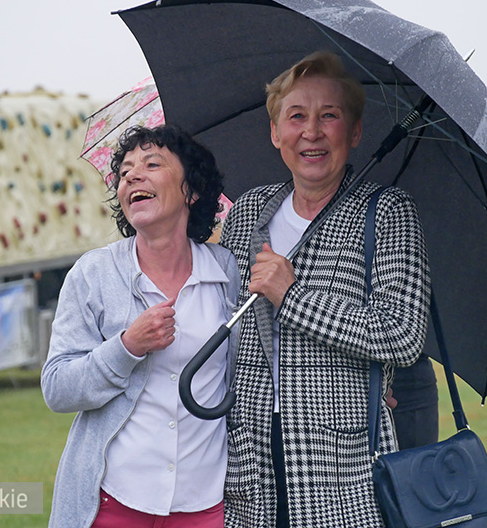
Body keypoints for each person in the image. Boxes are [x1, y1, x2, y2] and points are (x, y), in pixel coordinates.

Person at [219, 51, 431, 527]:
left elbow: (402, 333)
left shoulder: (388, 212)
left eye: (329, 116)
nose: (311, 131)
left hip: (341, 472)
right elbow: (220, 320)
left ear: (354, 133)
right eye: (296, 116)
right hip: (249, 468)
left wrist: (292, 297)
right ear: (276, 133)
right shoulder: (248, 212)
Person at [41, 124, 240, 528]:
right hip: (114, 500)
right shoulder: (92, 274)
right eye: (126, 170)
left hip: (207, 504)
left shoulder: (228, 273)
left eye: (152, 164)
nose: (132, 175)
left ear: (192, 190)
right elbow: (57, 387)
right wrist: (127, 346)